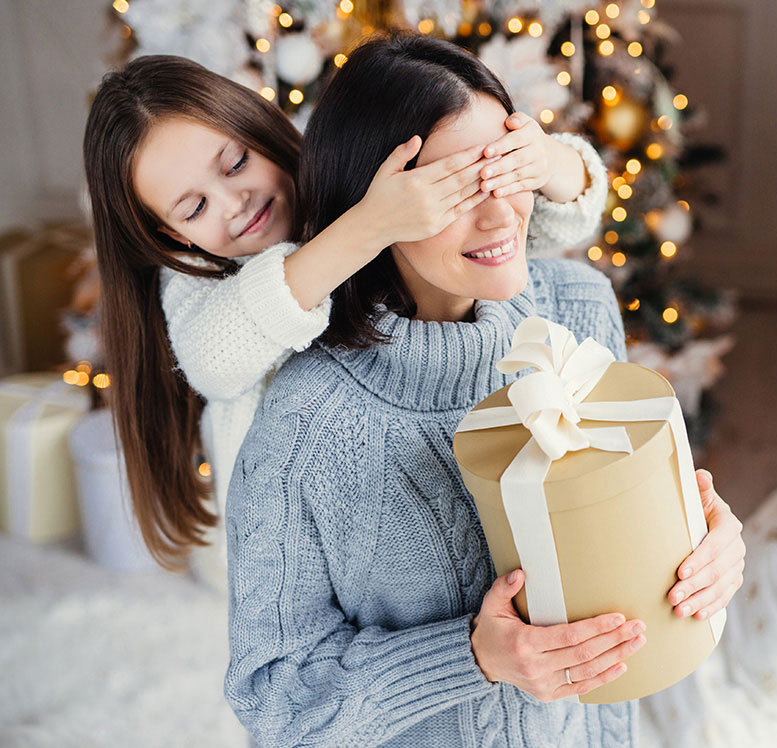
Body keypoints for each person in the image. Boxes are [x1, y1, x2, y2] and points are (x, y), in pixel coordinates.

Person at [225, 33, 746, 747]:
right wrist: (472, 657)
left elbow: (631, 546)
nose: (502, 214)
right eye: (456, 188)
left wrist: (709, 545)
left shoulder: (578, 307)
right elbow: (275, 701)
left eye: (507, 170)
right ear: (378, 207)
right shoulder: (306, 424)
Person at [81, 54, 609, 576]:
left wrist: (544, 161)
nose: (233, 203)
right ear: (173, 235)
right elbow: (213, 358)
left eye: (236, 163)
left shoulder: (343, 180)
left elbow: (534, 229)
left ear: (262, 129)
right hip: (287, 541)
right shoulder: (197, 279)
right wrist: (370, 226)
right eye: (194, 208)